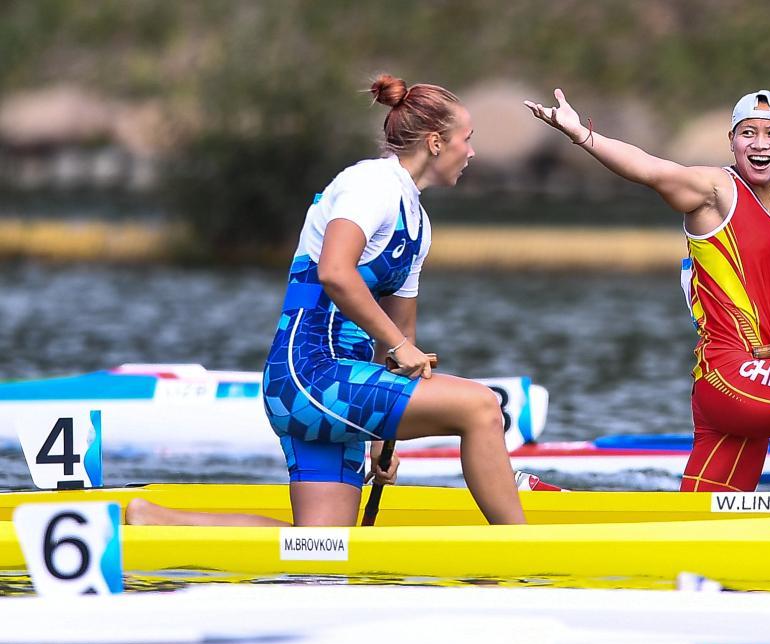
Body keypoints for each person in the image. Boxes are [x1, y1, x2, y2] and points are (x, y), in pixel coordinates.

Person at [131, 74, 525, 527]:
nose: (472, 152)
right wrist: (399, 347)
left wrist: (382, 437)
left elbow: (403, 340)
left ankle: (157, 521)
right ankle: (523, 551)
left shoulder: (418, 224)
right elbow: (335, 272)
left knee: (319, 553)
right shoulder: (370, 185)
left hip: (344, 387)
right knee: (480, 407)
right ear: (436, 143)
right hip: (310, 374)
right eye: (467, 139)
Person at [524, 88, 770, 492]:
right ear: (731, 141)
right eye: (747, 133)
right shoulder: (717, 192)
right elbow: (650, 170)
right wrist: (582, 135)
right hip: (734, 378)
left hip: (742, 387)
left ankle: (546, 500)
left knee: (699, 526)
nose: (760, 144)